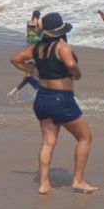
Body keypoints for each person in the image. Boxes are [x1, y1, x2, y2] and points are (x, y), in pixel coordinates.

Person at [10, 12, 97, 194]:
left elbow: (15, 59)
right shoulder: (62, 46)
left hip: (42, 98)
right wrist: (77, 75)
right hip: (62, 99)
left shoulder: (36, 48)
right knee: (85, 138)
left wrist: (32, 71)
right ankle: (78, 181)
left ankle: (44, 184)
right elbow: (71, 64)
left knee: (48, 142)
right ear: (60, 31)